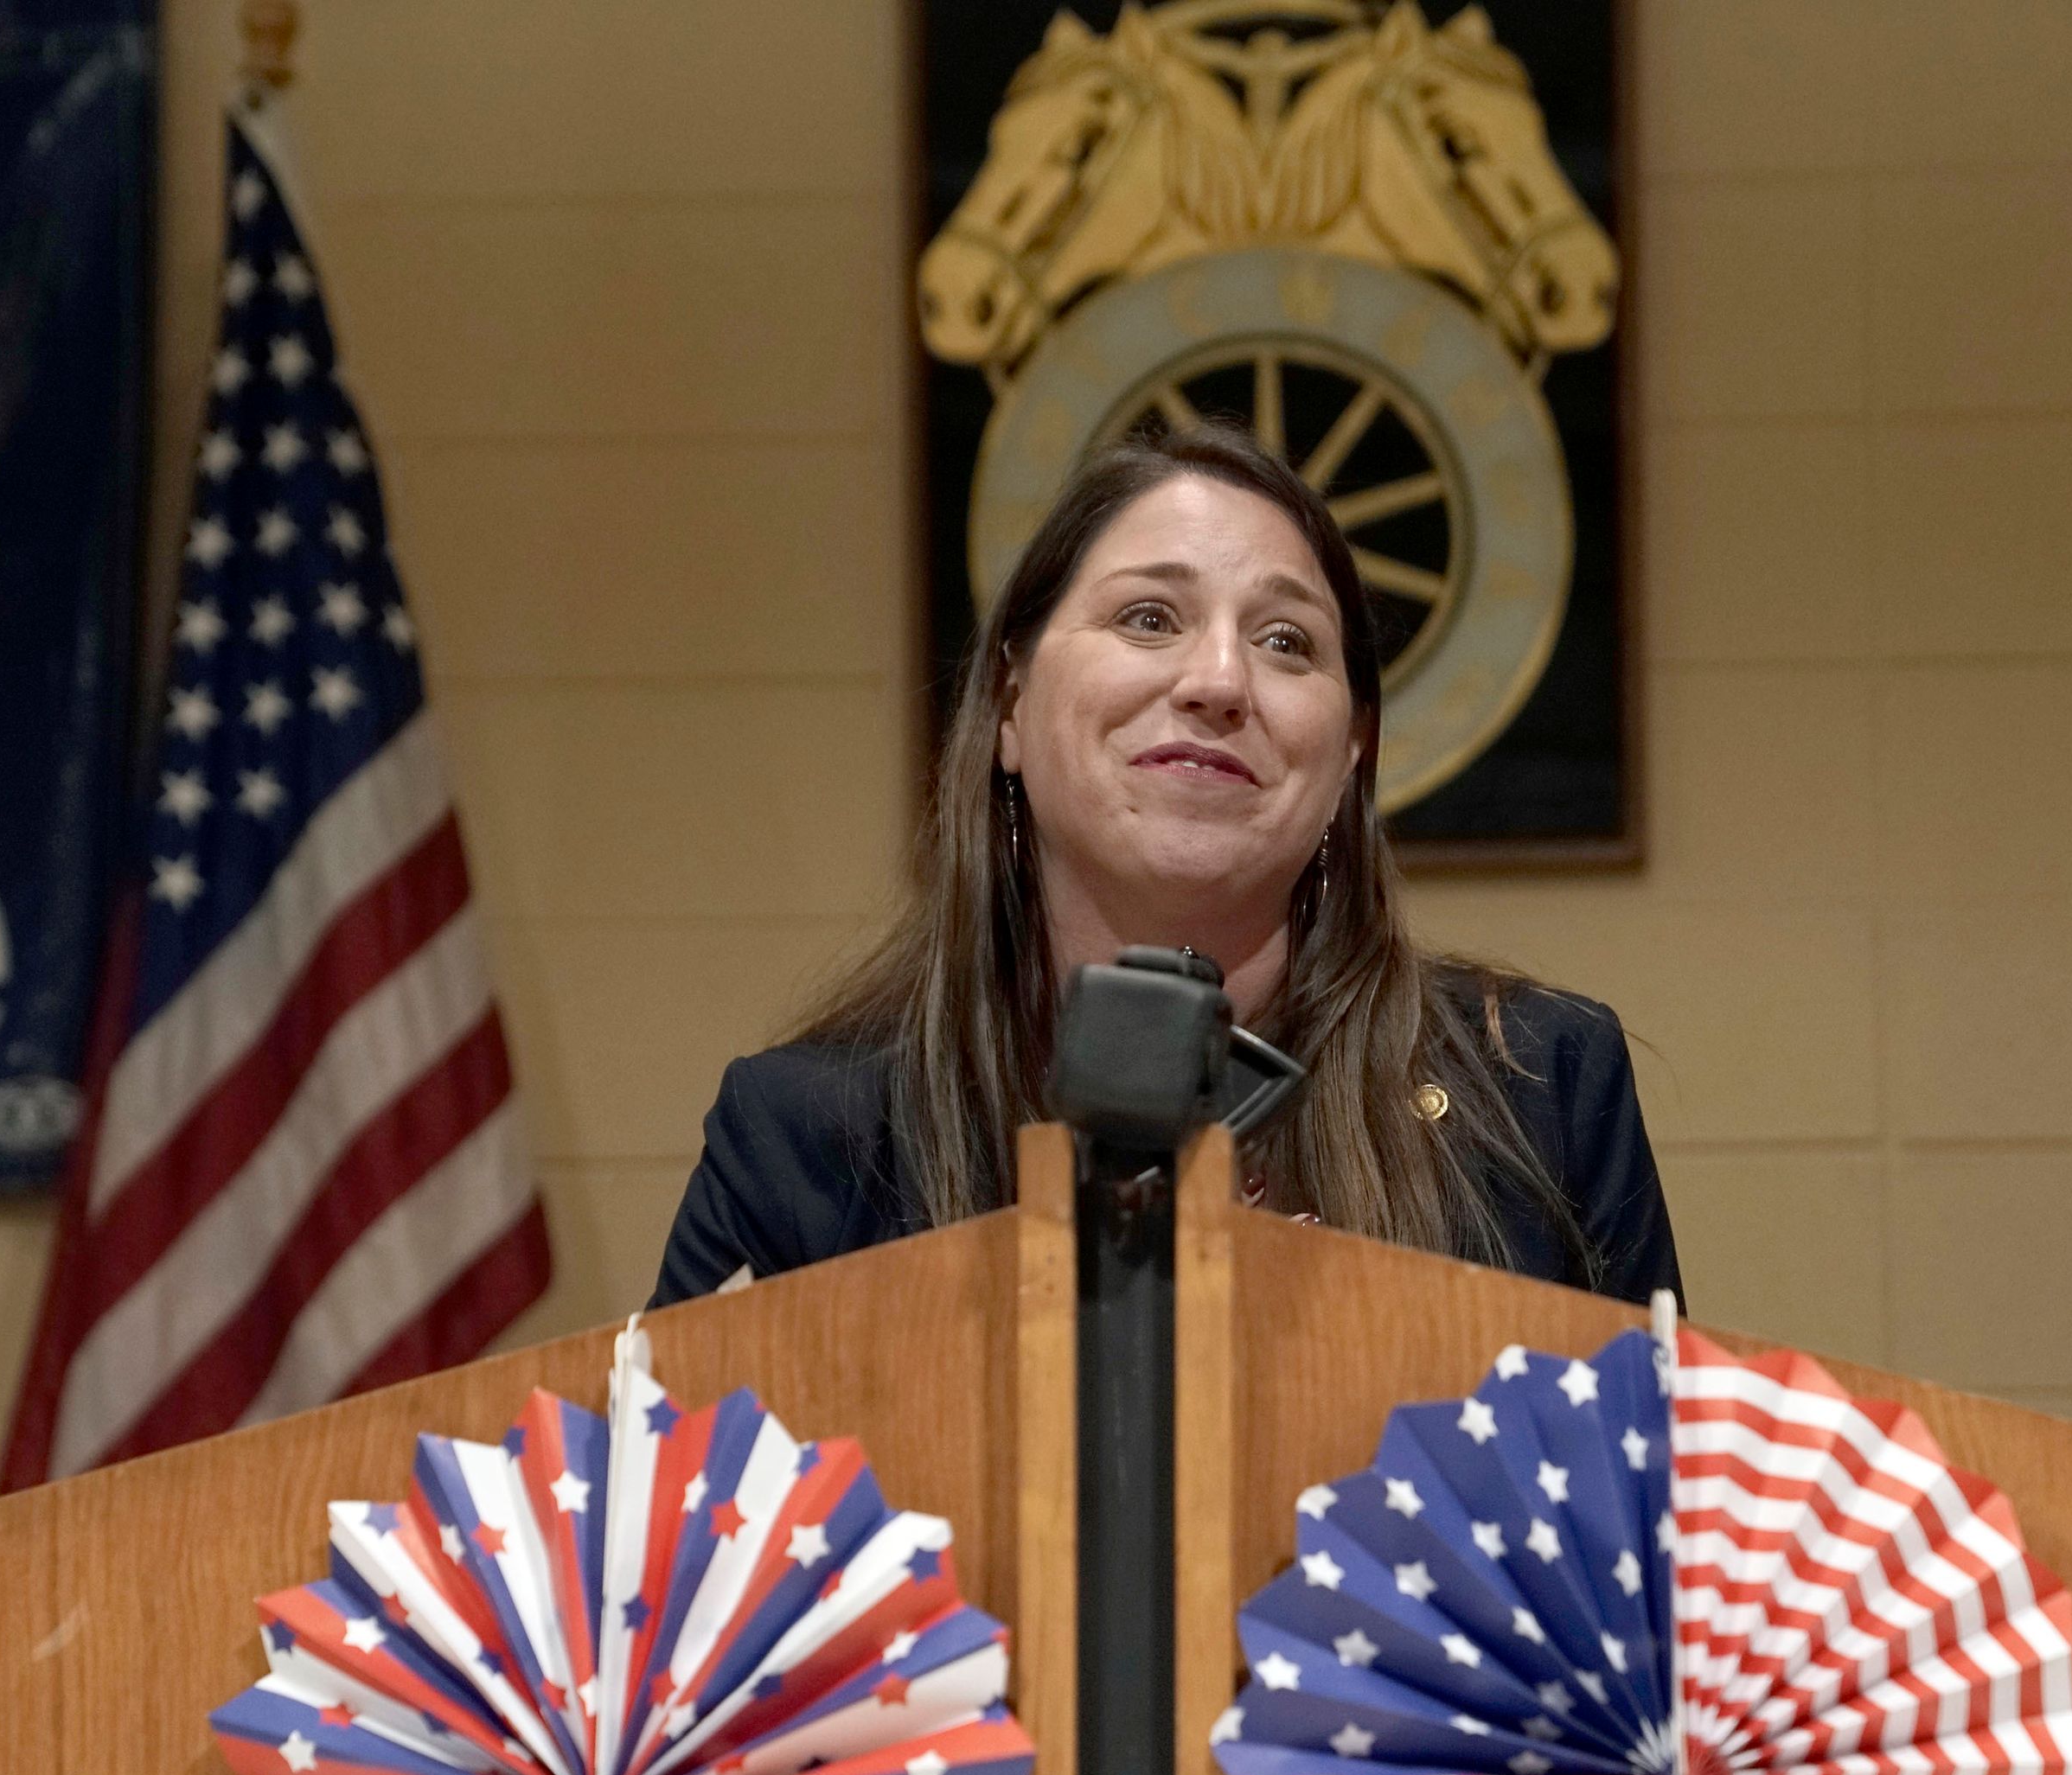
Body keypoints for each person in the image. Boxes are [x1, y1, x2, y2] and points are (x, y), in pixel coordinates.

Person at [649, 420, 1681, 1307]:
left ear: (1354, 747)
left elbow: (1648, 1519)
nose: (1220, 680)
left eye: (1287, 642)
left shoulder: (1541, 1090)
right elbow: (678, 1522)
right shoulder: (802, 1136)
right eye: (1150, 618)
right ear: (1009, 704)